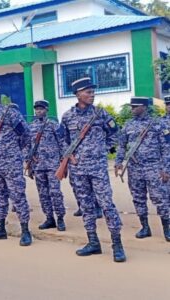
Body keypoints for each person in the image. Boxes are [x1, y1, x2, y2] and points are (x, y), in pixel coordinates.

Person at [60, 77, 125, 262]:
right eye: (88, 92)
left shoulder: (101, 114)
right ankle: (93, 242)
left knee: (106, 205)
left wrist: (103, 150)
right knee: (86, 206)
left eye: (93, 92)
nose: (92, 95)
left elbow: (115, 135)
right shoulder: (67, 116)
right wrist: (68, 155)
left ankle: (117, 245)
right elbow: (62, 139)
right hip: (78, 170)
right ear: (78, 94)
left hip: (97, 169)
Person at [0, 87, 32, 246]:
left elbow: (25, 135)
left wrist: (14, 151)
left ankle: (25, 231)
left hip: (11, 162)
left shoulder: (10, 113)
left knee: (17, 195)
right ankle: (0, 228)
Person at [115, 97, 170, 242]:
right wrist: (118, 162)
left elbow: (166, 148)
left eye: (135, 107)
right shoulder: (128, 125)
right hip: (134, 168)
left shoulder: (157, 124)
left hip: (153, 167)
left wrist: (165, 169)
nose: (132, 109)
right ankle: (145, 227)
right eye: (131, 107)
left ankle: (167, 228)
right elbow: (121, 145)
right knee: (138, 198)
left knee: (160, 199)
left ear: (144, 107)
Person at [25, 100, 66, 231]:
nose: (38, 111)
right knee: (43, 194)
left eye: (41, 109)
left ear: (46, 110)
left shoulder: (53, 125)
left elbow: (62, 143)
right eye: (36, 109)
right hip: (38, 165)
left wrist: (63, 163)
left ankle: (60, 218)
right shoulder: (31, 127)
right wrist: (29, 163)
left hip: (53, 164)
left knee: (55, 192)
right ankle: (49, 218)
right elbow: (28, 146)